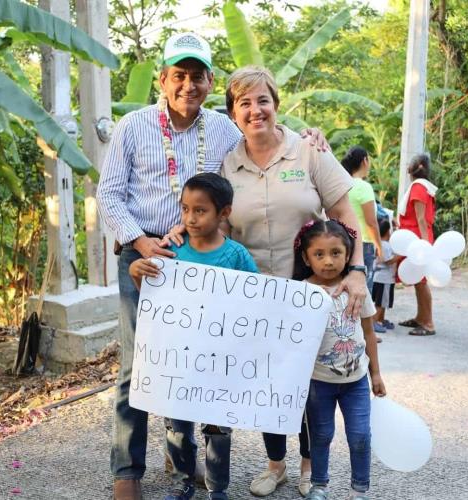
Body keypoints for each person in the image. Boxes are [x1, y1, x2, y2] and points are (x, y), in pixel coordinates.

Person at [97, 34, 330, 500]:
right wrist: (143, 243)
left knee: (198, 364)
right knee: (140, 364)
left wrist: (310, 137)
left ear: (208, 82)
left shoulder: (223, 128)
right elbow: (109, 194)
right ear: (162, 80)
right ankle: (128, 472)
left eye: (198, 76)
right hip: (148, 259)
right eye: (178, 75)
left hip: (206, 263)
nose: (188, 84)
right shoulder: (133, 125)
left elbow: (265, 132)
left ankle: (186, 460)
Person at [219, 66, 369, 497]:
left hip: (311, 296)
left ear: (276, 104)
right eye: (244, 102)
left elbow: (344, 214)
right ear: (233, 112)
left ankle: (308, 466)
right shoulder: (228, 164)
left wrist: (356, 269)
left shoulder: (308, 152)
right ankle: (275, 464)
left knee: (310, 385)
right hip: (257, 299)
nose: (254, 110)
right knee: (269, 384)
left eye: (262, 100)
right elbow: (224, 232)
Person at [129, 174, 257, 500]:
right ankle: (187, 480)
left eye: (200, 211)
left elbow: (259, 302)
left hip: (219, 361)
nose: (190, 218)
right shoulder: (171, 251)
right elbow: (154, 304)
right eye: (185, 209)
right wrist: (136, 275)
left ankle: (217, 490)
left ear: (224, 213)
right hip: (178, 360)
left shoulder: (237, 256)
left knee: (218, 430)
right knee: (176, 430)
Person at [290, 219, 386, 500]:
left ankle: (360, 489)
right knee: (320, 436)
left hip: (356, 382)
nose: (328, 261)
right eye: (319, 254)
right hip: (318, 382)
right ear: (306, 258)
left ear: (348, 255)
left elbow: (369, 333)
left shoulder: (357, 289)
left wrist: (376, 374)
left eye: (336, 253)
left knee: (360, 437)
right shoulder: (301, 292)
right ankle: (319, 486)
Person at [396, 154, 437, 337]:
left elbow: (420, 218)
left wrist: (424, 244)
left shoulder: (419, 187)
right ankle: (421, 317)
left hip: (417, 240)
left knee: (421, 281)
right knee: (417, 281)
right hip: (414, 238)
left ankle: (428, 323)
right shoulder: (421, 186)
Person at [340, 147, 384, 293]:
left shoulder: (341, 184)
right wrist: (379, 246)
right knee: (363, 291)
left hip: (342, 243)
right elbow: (371, 222)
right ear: (365, 161)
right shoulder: (363, 187)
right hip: (363, 244)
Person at [371, 219, 397, 334]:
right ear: (388, 231)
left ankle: (381, 320)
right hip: (384, 278)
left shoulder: (378, 243)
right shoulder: (385, 245)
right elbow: (387, 261)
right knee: (381, 303)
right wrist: (400, 256)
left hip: (381, 277)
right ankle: (374, 322)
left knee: (383, 301)